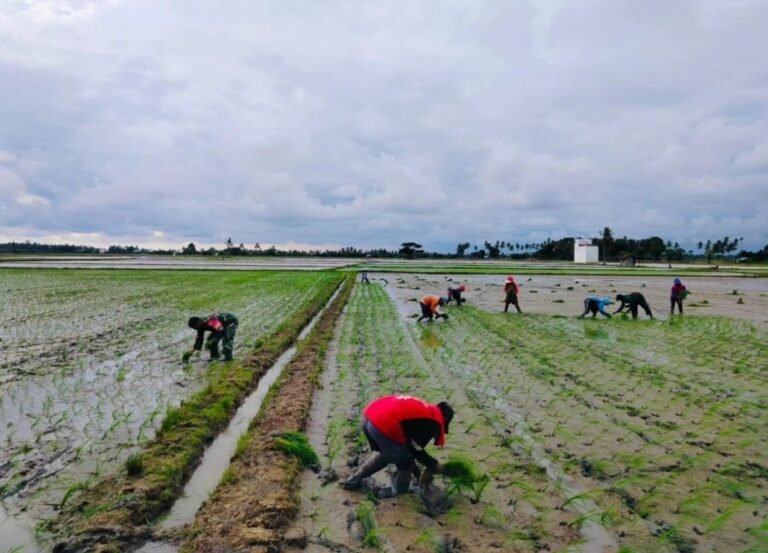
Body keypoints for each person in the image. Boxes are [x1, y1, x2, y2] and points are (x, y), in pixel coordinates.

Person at [342, 394, 454, 494]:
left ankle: (353, 480)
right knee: (404, 458)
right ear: (444, 419)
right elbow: (416, 449)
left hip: (368, 417)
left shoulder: (425, 411)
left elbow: (411, 444)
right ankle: (399, 492)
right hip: (382, 423)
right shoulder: (434, 421)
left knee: (388, 454)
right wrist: (433, 465)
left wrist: (417, 470)